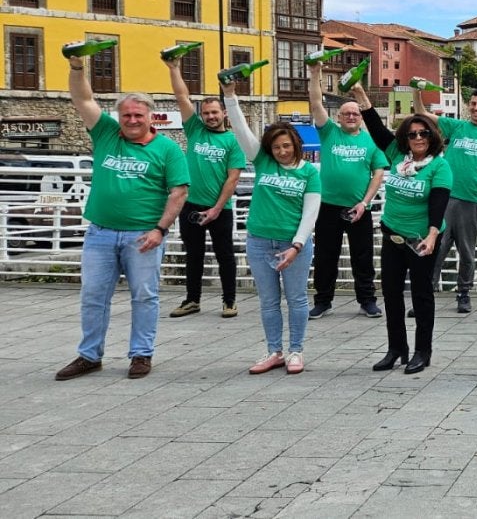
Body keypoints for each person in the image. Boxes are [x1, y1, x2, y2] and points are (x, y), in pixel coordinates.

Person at [55, 56, 188, 381]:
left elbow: (179, 192)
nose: (131, 120)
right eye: (126, 114)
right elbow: (82, 98)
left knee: (144, 295)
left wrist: (160, 229)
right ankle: (89, 355)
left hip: (144, 235)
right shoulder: (106, 134)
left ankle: (141, 354)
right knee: (93, 295)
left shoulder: (167, 150)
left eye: (137, 115)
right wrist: (76, 68)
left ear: (150, 116)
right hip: (100, 233)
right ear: (119, 116)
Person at [351, 86, 453, 375]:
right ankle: (396, 348)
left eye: (423, 134)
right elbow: (374, 124)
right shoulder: (397, 154)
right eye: (412, 134)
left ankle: (423, 351)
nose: (418, 138)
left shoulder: (439, 167)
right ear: (405, 138)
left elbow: (439, 203)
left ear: (432, 137)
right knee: (391, 293)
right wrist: (361, 95)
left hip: (422, 239)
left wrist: (433, 235)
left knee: (422, 295)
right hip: (393, 234)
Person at [221, 80, 320, 375]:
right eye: (276, 147)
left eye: (286, 145)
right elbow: (241, 130)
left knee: (298, 298)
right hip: (260, 241)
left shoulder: (309, 172)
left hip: (293, 245)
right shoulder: (263, 162)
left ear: (296, 145)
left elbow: (310, 214)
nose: (281, 151)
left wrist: (297, 246)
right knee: (268, 300)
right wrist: (230, 96)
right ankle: (274, 350)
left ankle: (296, 351)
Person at [412, 86, 477, 314]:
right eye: (473, 104)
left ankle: (463, 292)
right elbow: (422, 113)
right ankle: (426, 294)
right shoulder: (456, 127)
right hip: (444, 198)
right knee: (436, 248)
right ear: (468, 105)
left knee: (467, 251)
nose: (476, 108)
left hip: (470, 200)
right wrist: (416, 91)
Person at [164, 57, 245, 319]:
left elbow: (232, 178)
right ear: (202, 116)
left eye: (214, 112)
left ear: (223, 113)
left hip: (221, 209)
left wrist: (217, 208)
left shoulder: (233, 141)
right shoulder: (195, 131)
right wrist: (174, 68)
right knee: (193, 255)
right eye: (206, 113)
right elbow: (181, 96)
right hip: (191, 205)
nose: (210, 117)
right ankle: (192, 300)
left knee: (225, 255)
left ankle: (229, 301)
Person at [307, 64, 389, 319]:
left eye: (355, 113)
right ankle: (322, 301)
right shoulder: (329, 132)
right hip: (328, 206)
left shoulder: (371, 141)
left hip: (359, 208)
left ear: (361, 117)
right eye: (346, 114)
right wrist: (315, 73)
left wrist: (365, 202)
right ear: (338, 118)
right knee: (324, 257)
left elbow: (378, 174)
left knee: (363, 258)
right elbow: (315, 104)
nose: (351, 117)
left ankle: (367, 301)